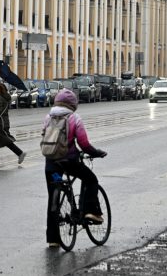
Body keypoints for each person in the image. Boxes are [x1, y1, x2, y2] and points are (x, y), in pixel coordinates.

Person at [43, 89, 107, 248]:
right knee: (90, 179)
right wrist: (96, 153)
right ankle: (90, 211)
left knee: (53, 199)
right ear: (73, 105)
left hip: (51, 162)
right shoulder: (74, 118)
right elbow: (84, 144)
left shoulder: (48, 117)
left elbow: (45, 136)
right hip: (69, 161)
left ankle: (53, 239)